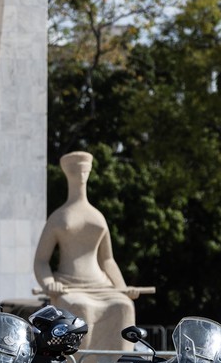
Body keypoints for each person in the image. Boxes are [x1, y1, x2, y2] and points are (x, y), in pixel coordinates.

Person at [33, 151, 144, 352]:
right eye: (77, 169)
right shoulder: (58, 218)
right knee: (79, 309)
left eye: (85, 169)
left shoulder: (98, 216)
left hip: (101, 285)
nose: (82, 174)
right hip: (69, 286)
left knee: (124, 306)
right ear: (68, 173)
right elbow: (41, 260)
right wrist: (49, 283)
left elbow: (108, 260)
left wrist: (123, 287)